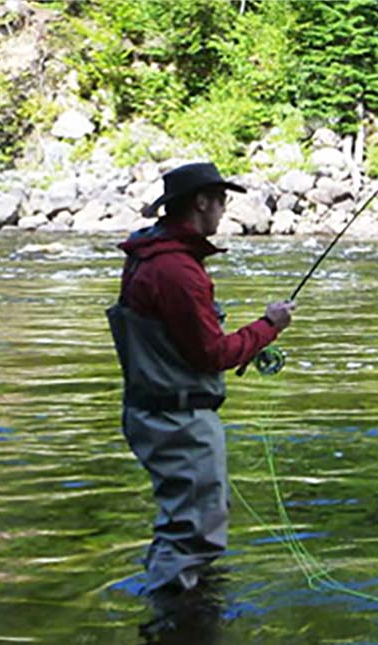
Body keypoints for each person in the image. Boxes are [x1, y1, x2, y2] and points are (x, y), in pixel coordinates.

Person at [107, 161, 295, 596]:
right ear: (201, 202)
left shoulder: (151, 257)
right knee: (192, 533)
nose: (225, 211)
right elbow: (212, 354)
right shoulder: (176, 270)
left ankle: (188, 606)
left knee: (190, 521)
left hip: (157, 412)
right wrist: (270, 326)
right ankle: (175, 621)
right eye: (222, 201)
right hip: (176, 420)